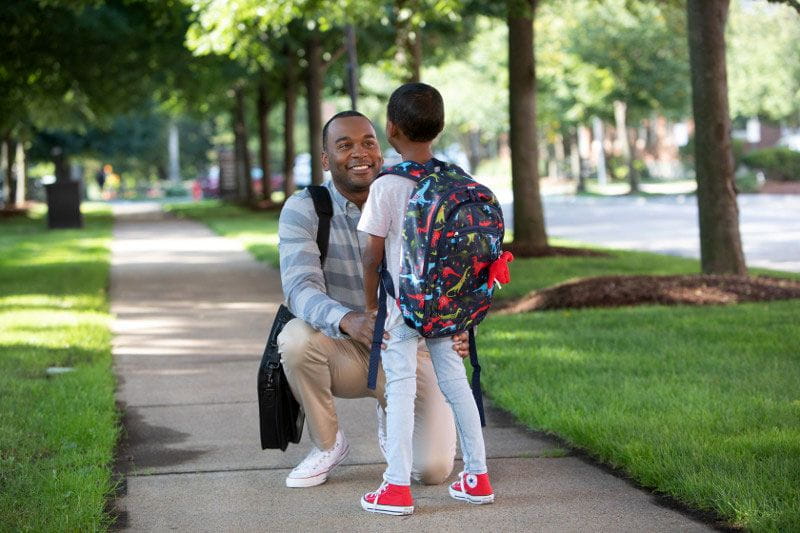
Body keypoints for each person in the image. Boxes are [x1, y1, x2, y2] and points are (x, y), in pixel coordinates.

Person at [277, 110, 468, 489]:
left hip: (411, 349)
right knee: (295, 339)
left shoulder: (413, 196)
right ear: (326, 160)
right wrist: (349, 320)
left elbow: (451, 274)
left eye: (368, 142)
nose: (359, 153)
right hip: (345, 347)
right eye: (344, 145)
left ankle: (392, 415)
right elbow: (299, 288)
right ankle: (328, 444)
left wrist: (457, 325)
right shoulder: (305, 208)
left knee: (431, 471)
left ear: (381, 151)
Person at [358, 83, 494, 516]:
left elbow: (372, 256)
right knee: (455, 382)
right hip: (446, 303)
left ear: (390, 128)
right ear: (439, 127)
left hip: (402, 305)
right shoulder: (456, 180)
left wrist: (372, 307)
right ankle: (477, 477)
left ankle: (396, 487)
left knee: (400, 389)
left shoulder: (387, 185)